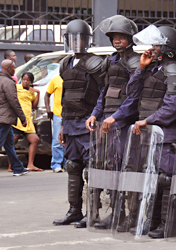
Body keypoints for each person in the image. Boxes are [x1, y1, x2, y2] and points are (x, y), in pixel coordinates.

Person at [121, 25, 176, 238]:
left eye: (157, 44)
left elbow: (172, 107)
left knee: (165, 180)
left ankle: (169, 225)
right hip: (149, 134)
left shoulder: (174, 70)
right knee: (152, 180)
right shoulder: (153, 69)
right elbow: (132, 93)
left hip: (165, 134)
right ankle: (153, 222)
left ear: (168, 47)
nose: (153, 48)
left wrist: (148, 120)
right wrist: (140, 68)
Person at [85, 14, 140, 231]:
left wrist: (116, 117)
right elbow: (104, 92)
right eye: (114, 37)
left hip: (123, 123)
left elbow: (133, 97)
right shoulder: (111, 60)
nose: (117, 40)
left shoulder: (135, 60)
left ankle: (128, 215)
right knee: (109, 167)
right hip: (107, 121)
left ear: (130, 37)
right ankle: (115, 211)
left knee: (124, 167)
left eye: (121, 36)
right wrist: (95, 114)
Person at [53, 19, 107, 229]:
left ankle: (92, 213)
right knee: (72, 166)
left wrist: (96, 116)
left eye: (81, 38)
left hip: (88, 124)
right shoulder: (65, 63)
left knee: (91, 169)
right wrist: (63, 127)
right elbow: (65, 96)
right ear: (67, 40)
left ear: (88, 40)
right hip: (70, 123)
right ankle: (74, 210)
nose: (77, 43)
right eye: (73, 39)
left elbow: (103, 92)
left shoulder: (96, 63)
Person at [10, 72, 42, 172]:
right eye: (24, 79)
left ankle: (30, 164)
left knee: (34, 140)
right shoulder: (16, 87)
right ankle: (11, 165)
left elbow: (34, 105)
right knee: (12, 142)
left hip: (28, 120)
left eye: (27, 80)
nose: (25, 82)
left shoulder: (32, 92)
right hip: (17, 120)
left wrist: (38, 93)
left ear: (31, 82)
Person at [45, 75, 65, 173]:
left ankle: (67, 164)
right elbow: (47, 95)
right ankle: (56, 164)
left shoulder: (73, 78)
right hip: (58, 114)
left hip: (70, 113)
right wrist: (48, 109)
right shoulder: (56, 79)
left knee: (70, 140)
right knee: (57, 140)